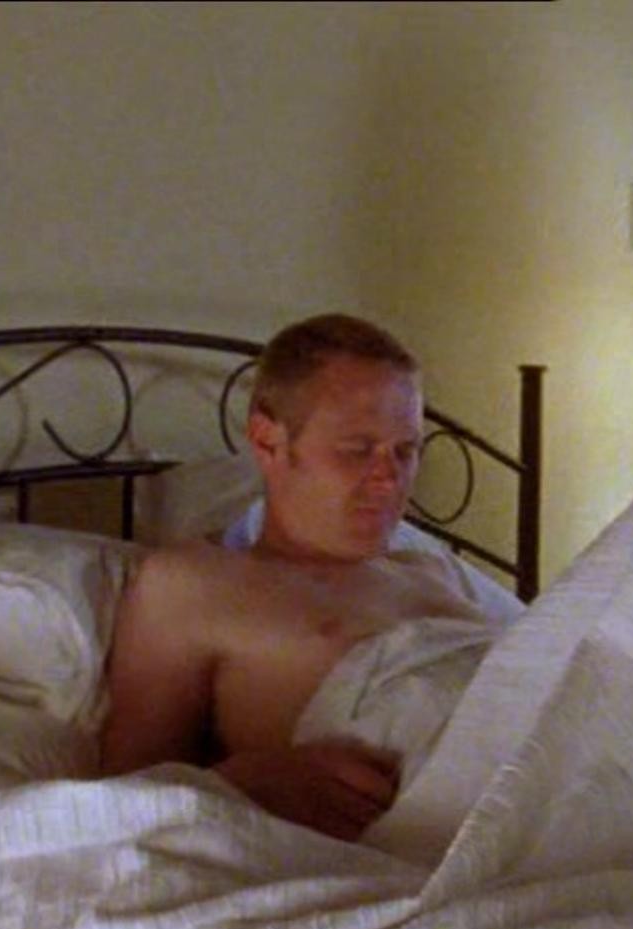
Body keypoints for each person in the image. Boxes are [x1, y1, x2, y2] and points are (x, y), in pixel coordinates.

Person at [100, 313, 488, 839]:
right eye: (357, 450)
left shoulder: (430, 571)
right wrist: (247, 783)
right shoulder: (193, 585)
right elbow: (120, 807)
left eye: (406, 451)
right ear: (268, 442)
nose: (389, 479)